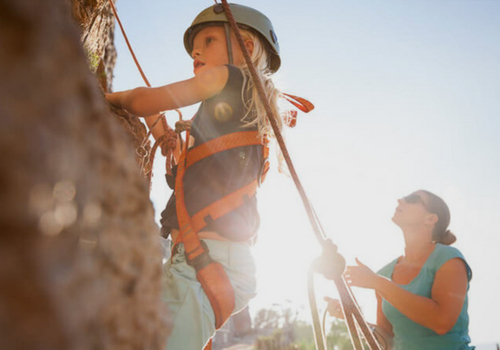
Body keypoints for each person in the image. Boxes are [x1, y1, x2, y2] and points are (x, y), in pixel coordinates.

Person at [106, 3, 284, 349]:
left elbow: (144, 100)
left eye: (209, 39)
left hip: (203, 259)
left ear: (246, 47)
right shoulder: (245, 106)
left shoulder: (228, 77)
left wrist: (104, 96)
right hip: (203, 256)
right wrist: (165, 135)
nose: (197, 51)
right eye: (195, 47)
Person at [326, 190, 474, 350]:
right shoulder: (384, 274)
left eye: (412, 199)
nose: (400, 200)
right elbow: (388, 342)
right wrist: (352, 317)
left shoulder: (449, 258)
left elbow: (441, 322)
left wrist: (378, 283)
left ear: (430, 219)